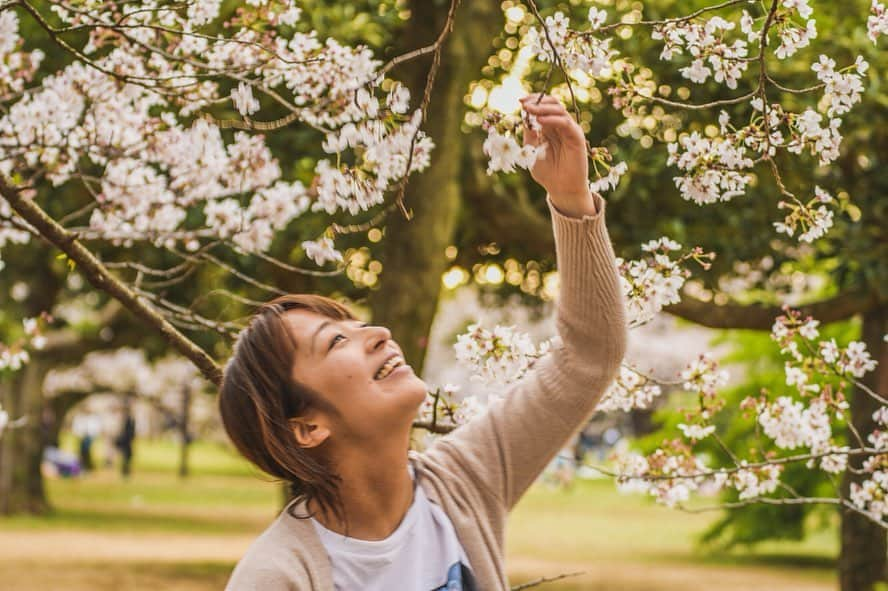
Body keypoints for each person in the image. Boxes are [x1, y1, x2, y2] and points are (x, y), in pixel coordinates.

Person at [219, 94, 628, 590]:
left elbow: (587, 357)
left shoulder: (465, 479)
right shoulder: (279, 577)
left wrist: (570, 198)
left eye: (356, 324)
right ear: (306, 427)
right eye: (334, 342)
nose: (377, 334)